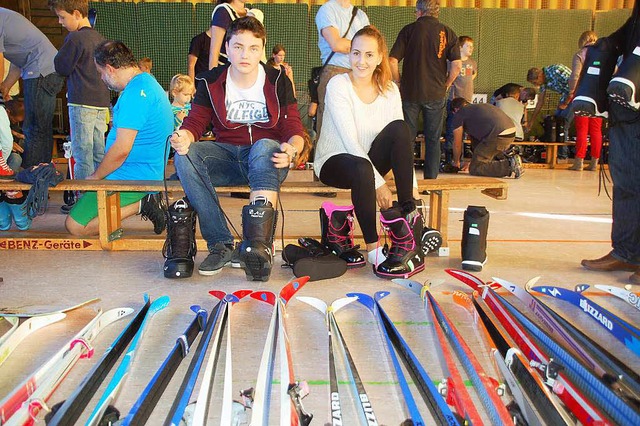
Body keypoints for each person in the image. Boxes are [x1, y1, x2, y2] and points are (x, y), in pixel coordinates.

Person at [170, 17, 306, 281]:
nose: (245, 54)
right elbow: (195, 122)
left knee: (265, 145)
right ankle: (220, 245)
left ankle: (258, 246)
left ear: (262, 50)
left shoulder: (278, 80)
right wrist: (183, 136)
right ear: (227, 48)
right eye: (238, 47)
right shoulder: (210, 81)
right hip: (228, 158)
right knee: (186, 155)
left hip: (267, 159)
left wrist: (291, 149)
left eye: (253, 48)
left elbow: (294, 129)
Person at [314, 25, 423, 279]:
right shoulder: (338, 85)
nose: (361, 61)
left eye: (369, 55)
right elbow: (350, 141)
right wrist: (379, 184)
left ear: (380, 58)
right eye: (355, 53)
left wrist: (413, 189)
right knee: (362, 169)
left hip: (368, 160)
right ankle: (374, 250)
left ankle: (410, 221)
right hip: (335, 160)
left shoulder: (390, 89)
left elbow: (402, 143)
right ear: (349, 54)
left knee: (400, 128)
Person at [65, 40, 172, 237]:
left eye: (101, 73)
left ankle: (143, 203)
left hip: (134, 176)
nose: (102, 79)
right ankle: (142, 202)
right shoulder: (145, 83)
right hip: (135, 171)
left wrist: (96, 178)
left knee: (75, 226)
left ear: (110, 69)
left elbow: (122, 148)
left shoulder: (136, 94)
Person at [581, 1, 640, 285]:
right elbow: (628, 34)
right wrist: (606, 46)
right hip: (629, 111)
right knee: (627, 182)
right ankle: (626, 251)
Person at [49, 0, 111, 215]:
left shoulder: (75, 38)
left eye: (62, 17)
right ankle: (99, 199)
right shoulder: (101, 38)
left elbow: (61, 66)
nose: (60, 22)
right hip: (102, 103)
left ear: (76, 13)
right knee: (98, 152)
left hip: (81, 101)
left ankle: (84, 204)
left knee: (82, 152)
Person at [389, 0, 462, 179]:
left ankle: (406, 180)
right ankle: (431, 180)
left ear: (419, 12)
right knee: (433, 139)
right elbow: (457, 66)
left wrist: (398, 82)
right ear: (437, 12)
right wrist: (446, 84)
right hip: (436, 93)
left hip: (410, 93)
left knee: (407, 139)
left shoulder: (409, 30)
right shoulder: (448, 32)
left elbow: (391, 60)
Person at [0, 7, 64, 168]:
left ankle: (33, 177)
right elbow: (19, 57)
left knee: (33, 128)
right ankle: (42, 175)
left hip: (40, 71)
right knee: (41, 127)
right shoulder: (6, 18)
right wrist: (6, 85)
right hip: (46, 70)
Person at [314, 0, 370, 138]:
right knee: (330, 127)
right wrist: (362, 47)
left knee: (357, 126)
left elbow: (371, 44)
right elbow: (337, 44)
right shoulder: (327, 10)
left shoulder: (361, 15)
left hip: (359, 74)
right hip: (335, 71)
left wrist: (358, 47)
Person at [449, 97, 524, 179]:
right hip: (511, 133)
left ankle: (509, 165)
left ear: (455, 109)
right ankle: (506, 159)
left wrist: (456, 162)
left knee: (475, 168)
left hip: (497, 134)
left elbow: (457, 143)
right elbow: (477, 144)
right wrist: (472, 160)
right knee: (487, 154)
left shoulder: (460, 113)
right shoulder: (478, 109)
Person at [568, 31, 602, 171]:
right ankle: (595, 162)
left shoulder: (580, 55)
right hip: (599, 97)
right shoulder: (603, 54)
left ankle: (579, 162)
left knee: (582, 129)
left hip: (583, 94)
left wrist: (571, 91)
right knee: (596, 130)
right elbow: (615, 70)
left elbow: (575, 76)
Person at [526, 63, 572, 159]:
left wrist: (567, 102)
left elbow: (576, 83)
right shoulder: (543, 83)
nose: (535, 85)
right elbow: (540, 102)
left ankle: (562, 156)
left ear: (539, 76)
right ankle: (554, 154)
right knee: (553, 123)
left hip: (575, 96)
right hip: (564, 97)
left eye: (535, 82)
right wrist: (531, 121)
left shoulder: (557, 70)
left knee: (563, 124)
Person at [444, 35, 477, 165]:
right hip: (455, 101)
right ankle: (449, 160)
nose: (471, 49)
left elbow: (474, 74)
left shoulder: (472, 63)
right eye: (468, 46)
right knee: (452, 131)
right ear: (460, 47)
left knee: (463, 134)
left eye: (472, 46)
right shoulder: (451, 62)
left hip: (467, 102)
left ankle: (459, 159)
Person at [0, 99, 24, 175]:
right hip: (2, 158)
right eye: (14, 120)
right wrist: (3, 163)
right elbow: (7, 143)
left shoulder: (3, 114)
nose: (14, 123)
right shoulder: (2, 114)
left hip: (3, 156)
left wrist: (17, 134)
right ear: (8, 112)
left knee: (16, 158)